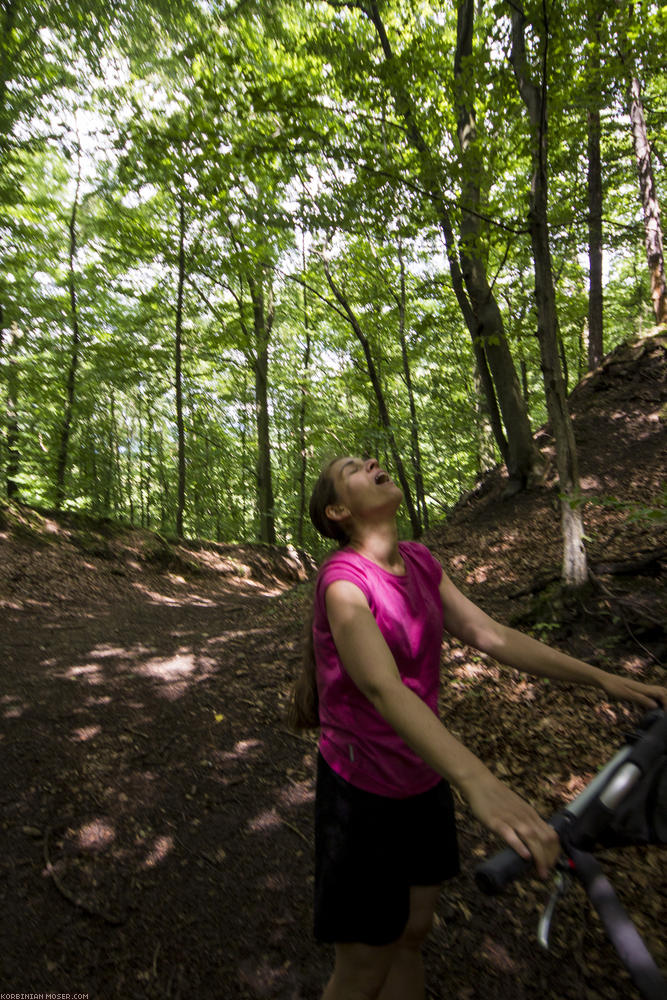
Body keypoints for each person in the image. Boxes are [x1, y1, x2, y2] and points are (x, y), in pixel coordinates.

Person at [288, 455, 666, 1000]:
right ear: (337, 510)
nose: (371, 461)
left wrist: (604, 679)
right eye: (352, 467)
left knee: (412, 935)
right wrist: (478, 781)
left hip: (424, 777)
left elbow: (491, 636)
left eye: (368, 458)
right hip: (360, 794)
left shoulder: (419, 562)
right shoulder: (343, 583)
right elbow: (382, 687)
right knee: (365, 962)